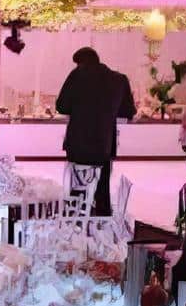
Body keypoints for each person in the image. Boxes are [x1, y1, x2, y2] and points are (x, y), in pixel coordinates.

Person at [56, 47, 136, 215]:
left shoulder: (77, 76)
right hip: (104, 142)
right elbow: (128, 111)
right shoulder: (119, 80)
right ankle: (102, 227)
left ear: (82, 62)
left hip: (78, 141)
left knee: (77, 190)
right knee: (102, 190)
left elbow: (61, 106)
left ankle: (77, 225)